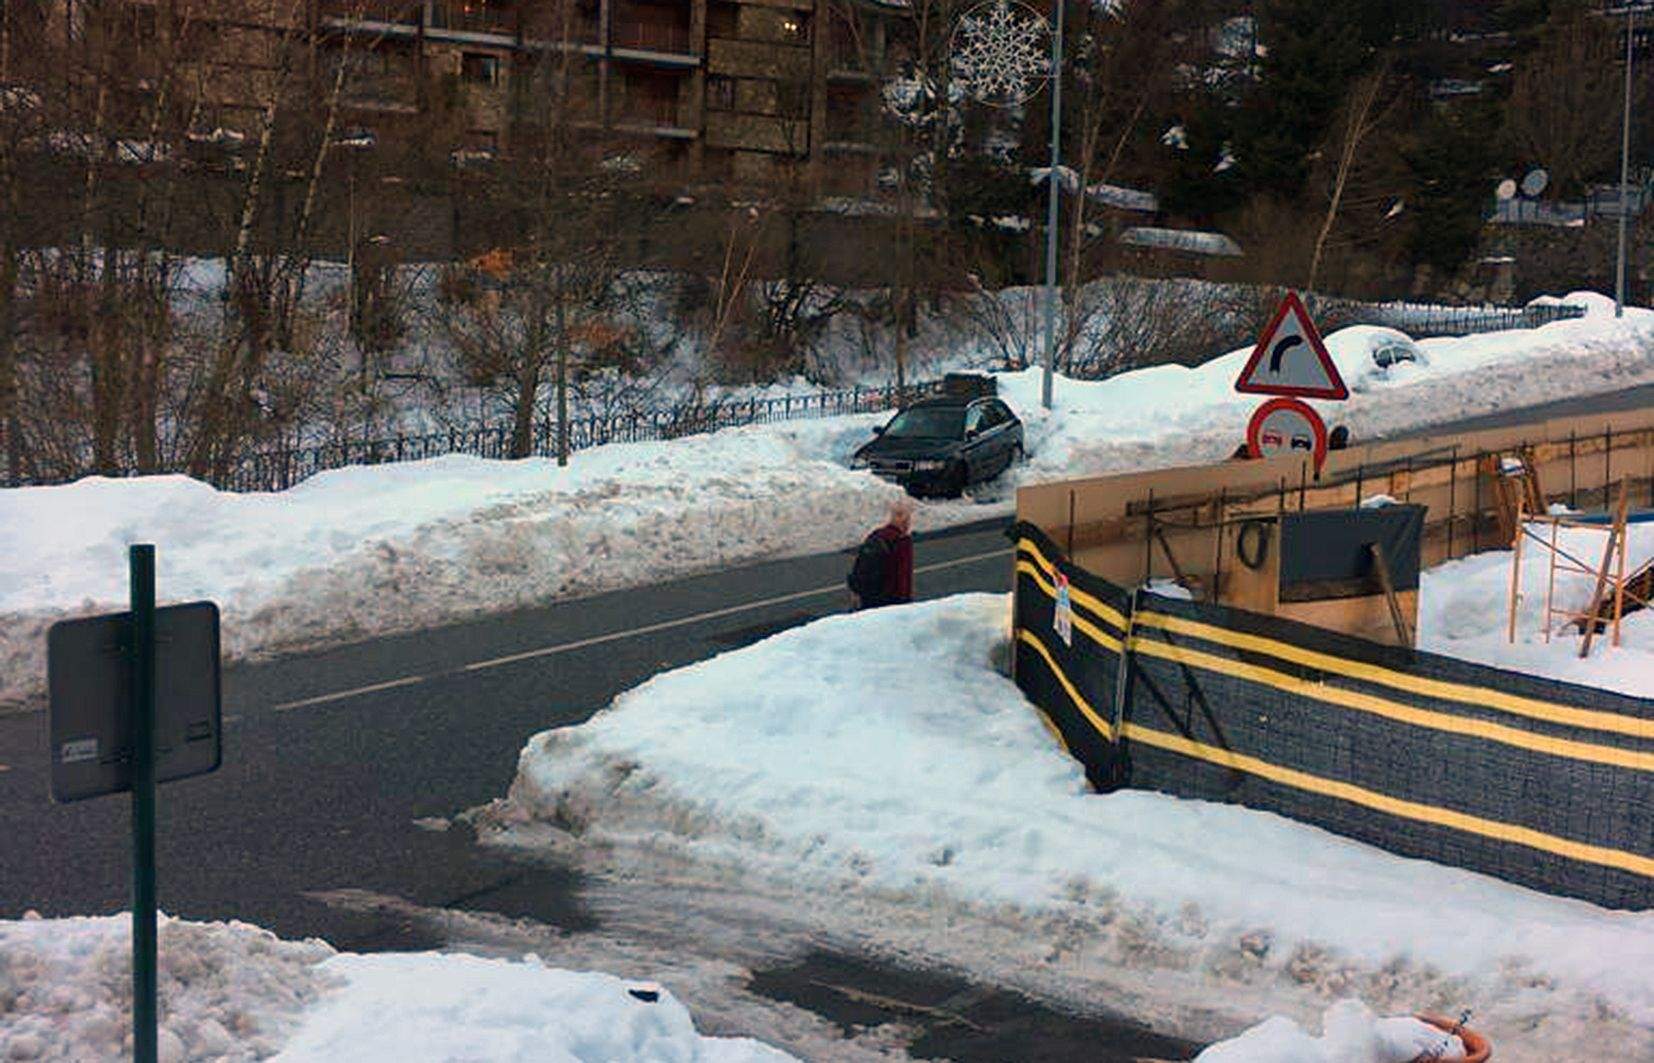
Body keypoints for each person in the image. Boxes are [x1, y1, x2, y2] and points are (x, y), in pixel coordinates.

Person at [847, 500, 914, 609]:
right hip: (890, 601)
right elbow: (903, 577)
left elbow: (859, 566)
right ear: (905, 521)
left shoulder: (876, 535)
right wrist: (905, 604)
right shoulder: (902, 542)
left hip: (868, 598)